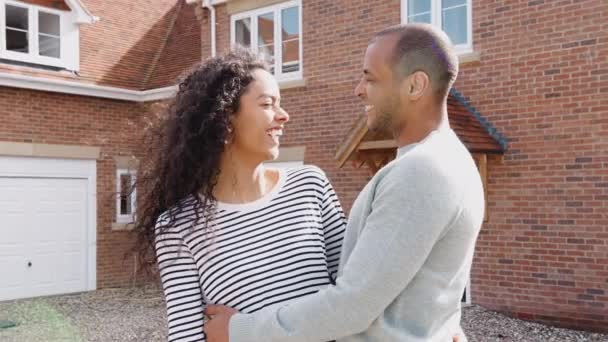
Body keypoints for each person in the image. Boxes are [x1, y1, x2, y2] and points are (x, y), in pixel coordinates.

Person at [203, 23, 485, 342]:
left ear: (415, 86)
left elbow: (353, 304)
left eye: (370, 78)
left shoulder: (422, 170)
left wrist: (240, 330)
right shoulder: (448, 158)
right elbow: (430, 286)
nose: (359, 89)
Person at [131, 49, 347, 342]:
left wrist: (244, 330)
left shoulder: (310, 186)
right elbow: (187, 336)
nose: (284, 116)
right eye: (268, 104)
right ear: (225, 117)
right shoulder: (178, 226)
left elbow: (351, 298)